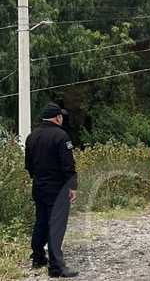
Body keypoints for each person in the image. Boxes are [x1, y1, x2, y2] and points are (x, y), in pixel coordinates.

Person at [25, 102, 78, 278]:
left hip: (39, 186)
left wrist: (39, 178)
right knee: (56, 226)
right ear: (57, 117)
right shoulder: (61, 136)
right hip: (57, 189)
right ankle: (56, 266)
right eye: (61, 116)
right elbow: (68, 165)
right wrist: (72, 186)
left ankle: (38, 257)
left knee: (41, 221)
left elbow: (29, 165)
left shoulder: (32, 136)